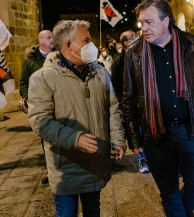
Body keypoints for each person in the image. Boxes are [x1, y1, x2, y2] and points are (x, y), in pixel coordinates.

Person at [123, 0, 194, 217]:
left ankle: (181, 211)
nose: (144, 28)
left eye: (149, 22)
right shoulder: (133, 53)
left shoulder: (190, 45)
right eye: (141, 22)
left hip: (189, 129)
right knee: (168, 190)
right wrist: (134, 140)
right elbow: (128, 100)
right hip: (155, 134)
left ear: (166, 21)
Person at [28, 20, 126, 216]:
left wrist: (117, 139)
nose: (92, 44)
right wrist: (75, 138)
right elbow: (41, 122)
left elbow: (113, 107)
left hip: (96, 161)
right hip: (67, 165)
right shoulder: (42, 78)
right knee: (67, 213)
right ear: (68, 44)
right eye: (87, 39)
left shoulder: (99, 71)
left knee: (93, 210)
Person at [111, 30, 149, 174]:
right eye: (133, 38)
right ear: (126, 43)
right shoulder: (118, 62)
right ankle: (142, 160)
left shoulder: (143, 55)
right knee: (135, 133)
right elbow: (116, 85)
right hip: (130, 104)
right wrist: (123, 102)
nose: (138, 40)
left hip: (145, 102)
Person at [19, 29, 54, 184]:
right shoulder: (31, 60)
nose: (52, 39)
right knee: (46, 134)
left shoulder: (58, 55)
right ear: (41, 41)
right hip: (41, 103)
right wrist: (29, 99)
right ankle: (50, 167)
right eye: (48, 37)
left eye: (52, 36)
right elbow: (24, 83)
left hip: (58, 100)